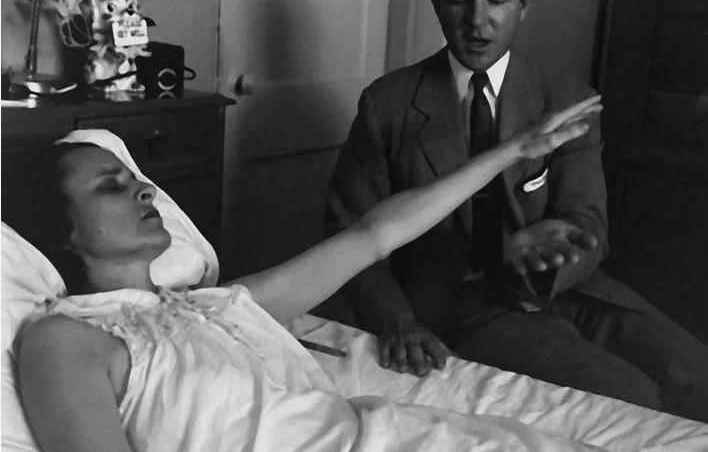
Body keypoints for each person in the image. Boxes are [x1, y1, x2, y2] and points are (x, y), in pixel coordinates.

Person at [16, 105, 600, 452]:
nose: (145, 190)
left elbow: (374, 235)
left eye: (134, 178)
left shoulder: (216, 306)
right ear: (62, 231)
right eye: (110, 187)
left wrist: (513, 152)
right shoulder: (67, 339)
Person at [324, 0, 708, 422]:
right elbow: (346, 234)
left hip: (567, 290)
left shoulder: (567, 100)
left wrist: (553, 247)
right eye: (459, 0)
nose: (477, 21)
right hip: (459, 304)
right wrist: (396, 319)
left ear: (524, 3)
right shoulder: (388, 105)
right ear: (437, 3)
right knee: (634, 401)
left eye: (497, 0)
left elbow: (588, 223)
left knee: (697, 376)